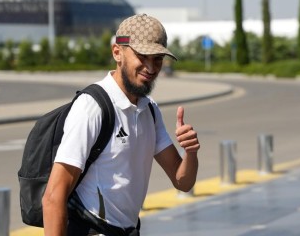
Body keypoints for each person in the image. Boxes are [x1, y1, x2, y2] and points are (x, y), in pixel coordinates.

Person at [42, 13, 200, 236]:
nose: (151, 67)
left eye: (157, 59)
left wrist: (190, 152)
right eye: (142, 56)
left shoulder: (149, 110)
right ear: (118, 52)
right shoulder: (92, 106)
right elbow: (53, 196)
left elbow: (182, 181)